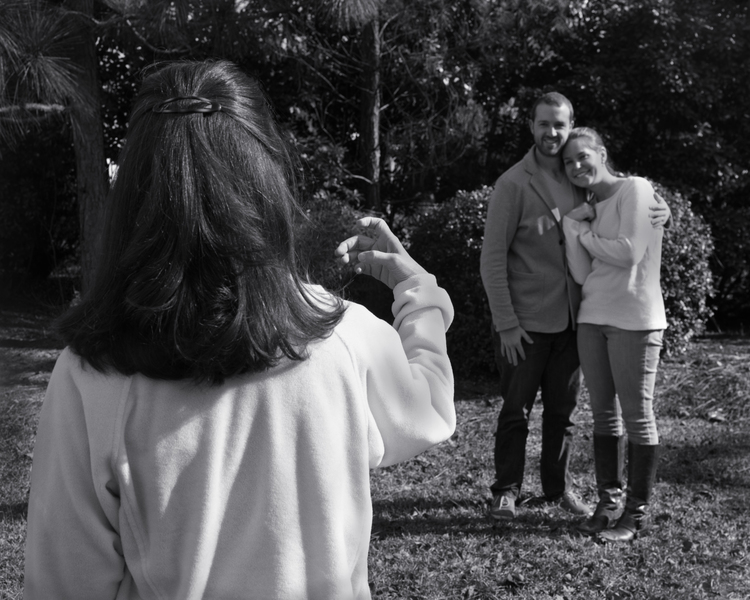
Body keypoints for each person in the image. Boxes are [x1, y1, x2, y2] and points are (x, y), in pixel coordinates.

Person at [24, 60, 456, 600]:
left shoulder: (90, 373)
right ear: (267, 178)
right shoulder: (345, 337)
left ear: (132, 193)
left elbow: (63, 583)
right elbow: (428, 409)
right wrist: (420, 294)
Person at [479, 92, 669, 521]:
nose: (552, 132)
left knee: (562, 414)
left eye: (559, 125)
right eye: (544, 124)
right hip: (525, 321)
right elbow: (492, 259)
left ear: (570, 127)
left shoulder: (578, 177)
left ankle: (557, 488)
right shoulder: (512, 184)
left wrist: (663, 212)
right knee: (515, 411)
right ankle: (506, 490)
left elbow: (625, 199)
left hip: (574, 318)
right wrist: (505, 322)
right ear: (531, 126)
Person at [561, 127, 666, 542]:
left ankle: (635, 514)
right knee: (603, 414)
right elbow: (582, 273)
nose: (576, 166)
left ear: (602, 154)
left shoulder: (635, 189)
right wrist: (572, 228)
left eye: (583, 156)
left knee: (638, 415)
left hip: (635, 319)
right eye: (569, 162)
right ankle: (607, 505)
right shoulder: (588, 209)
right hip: (592, 317)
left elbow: (629, 252)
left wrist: (584, 235)